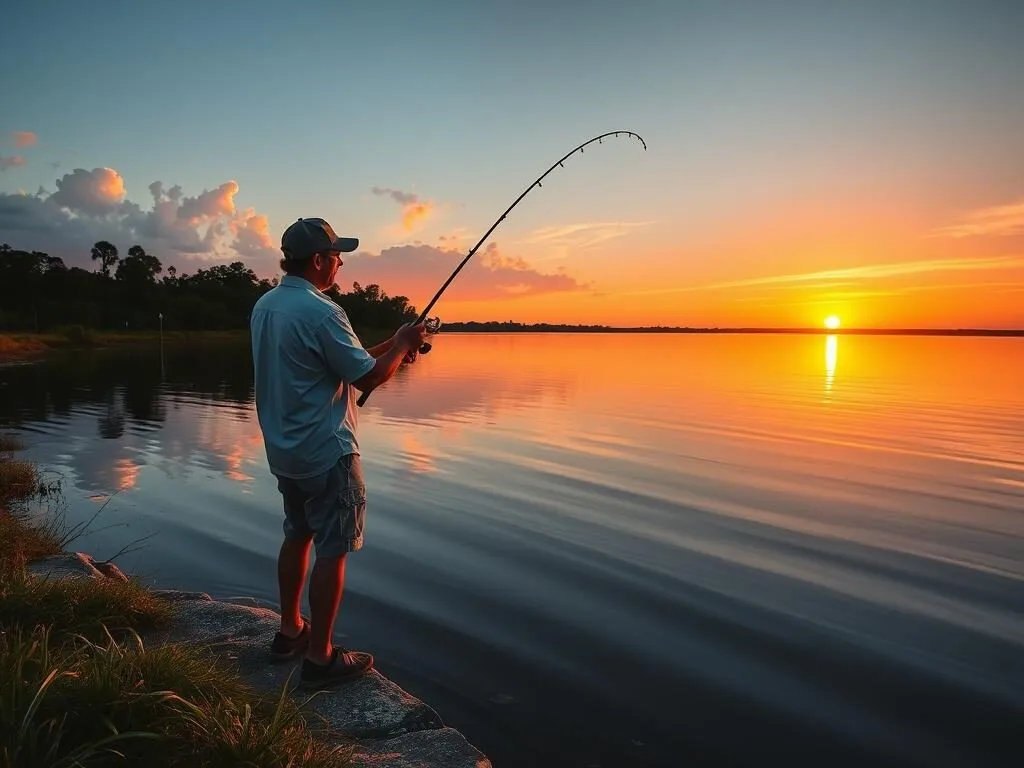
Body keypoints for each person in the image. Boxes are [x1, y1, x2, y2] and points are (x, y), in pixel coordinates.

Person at [249, 216, 429, 688]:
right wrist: (404, 348)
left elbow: (349, 363)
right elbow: (368, 377)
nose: (341, 263)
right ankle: (320, 657)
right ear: (317, 261)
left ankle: (289, 632)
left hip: (286, 451)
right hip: (328, 454)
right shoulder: (322, 310)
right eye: (336, 256)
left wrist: (398, 341)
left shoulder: (267, 305)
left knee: (297, 534)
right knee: (333, 551)